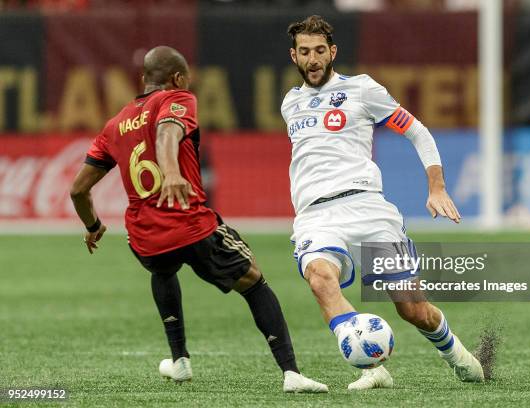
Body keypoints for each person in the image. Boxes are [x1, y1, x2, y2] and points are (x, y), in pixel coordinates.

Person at [70, 45, 327, 393]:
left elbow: (78, 190)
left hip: (146, 236)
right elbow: (166, 133)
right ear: (177, 78)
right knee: (253, 280)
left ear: (143, 79)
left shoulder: (114, 125)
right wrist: (172, 172)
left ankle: (179, 362)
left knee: (162, 270)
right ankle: (291, 373)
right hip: (190, 224)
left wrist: (93, 226)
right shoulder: (178, 98)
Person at [281, 16, 485, 390]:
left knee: (413, 309)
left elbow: (416, 130)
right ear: (294, 55)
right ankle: (372, 367)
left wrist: (436, 186)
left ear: (333, 52)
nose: (313, 59)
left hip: (368, 208)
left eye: (320, 51)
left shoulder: (362, 89)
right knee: (320, 278)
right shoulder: (290, 103)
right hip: (315, 216)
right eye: (305, 52)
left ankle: (454, 351)